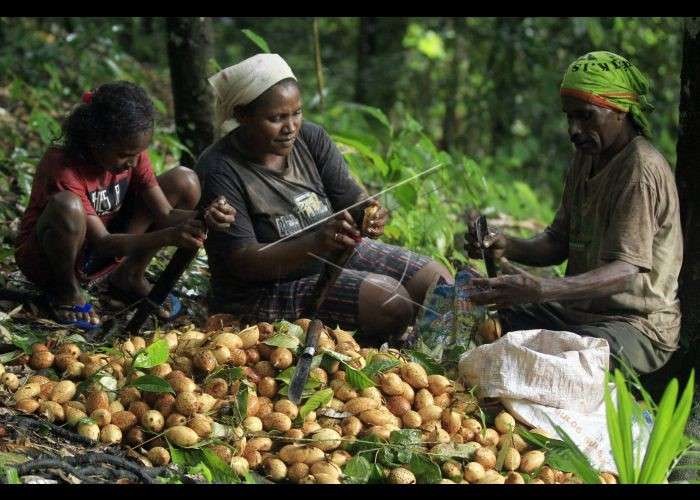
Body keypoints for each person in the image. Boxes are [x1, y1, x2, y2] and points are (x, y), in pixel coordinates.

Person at [195, 54, 453, 343]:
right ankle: (366, 346)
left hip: (331, 255)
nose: (290, 127)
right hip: (261, 290)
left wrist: (371, 213)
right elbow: (243, 262)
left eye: (297, 113)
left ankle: (437, 354)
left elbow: (351, 199)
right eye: (276, 118)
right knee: (392, 303)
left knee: (439, 283)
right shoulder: (219, 167)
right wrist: (315, 242)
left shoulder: (310, 138)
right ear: (242, 115)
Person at [465, 51, 682, 374]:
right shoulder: (587, 156)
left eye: (585, 116)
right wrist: (507, 245)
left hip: (635, 326)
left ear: (619, 111)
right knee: (483, 320)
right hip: (577, 312)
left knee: (555, 363)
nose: (574, 129)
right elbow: (557, 241)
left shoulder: (639, 171)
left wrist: (540, 290)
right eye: (569, 117)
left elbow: (625, 272)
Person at [15, 81, 236, 330]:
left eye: (137, 154)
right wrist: (169, 236)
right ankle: (67, 291)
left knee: (184, 180)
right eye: (123, 154)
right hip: (54, 256)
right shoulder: (63, 168)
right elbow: (103, 241)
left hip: (103, 250)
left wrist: (206, 215)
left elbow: (164, 213)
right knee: (68, 206)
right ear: (95, 140)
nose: (131, 162)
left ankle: (129, 275)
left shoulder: (132, 154)